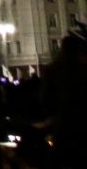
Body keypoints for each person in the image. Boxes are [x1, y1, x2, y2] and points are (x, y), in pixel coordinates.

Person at [41, 22, 87, 169]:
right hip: (83, 119)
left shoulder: (52, 69)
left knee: (63, 156)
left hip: (63, 120)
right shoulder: (83, 68)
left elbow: (46, 97)